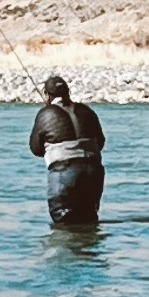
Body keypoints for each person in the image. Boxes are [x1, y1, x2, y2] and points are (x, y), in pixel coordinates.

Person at [28, 74, 105, 226]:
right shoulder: (87, 110)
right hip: (94, 171)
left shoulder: (45, 114)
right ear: (68, 92)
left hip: (64, 173)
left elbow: (36, 149)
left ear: (47, 95)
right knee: (89, 219)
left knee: (63, 223)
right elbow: (100, 142)